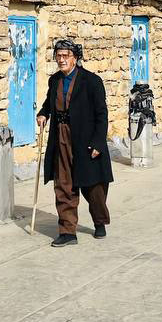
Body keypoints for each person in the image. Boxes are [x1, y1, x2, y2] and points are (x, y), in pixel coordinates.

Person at [36, 39, 112, 247]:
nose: (61, 60)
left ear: (75, 58)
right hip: (61, 137)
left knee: (94, 187)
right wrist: (43, 114)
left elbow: (102, 114)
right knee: (64, 184)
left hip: (85, 138)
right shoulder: (55, 81)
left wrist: (98, 142)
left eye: (65, 56)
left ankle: (99, 221)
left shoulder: (92, 81)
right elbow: (48, 104)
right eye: (58, 56)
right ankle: (68, 231)